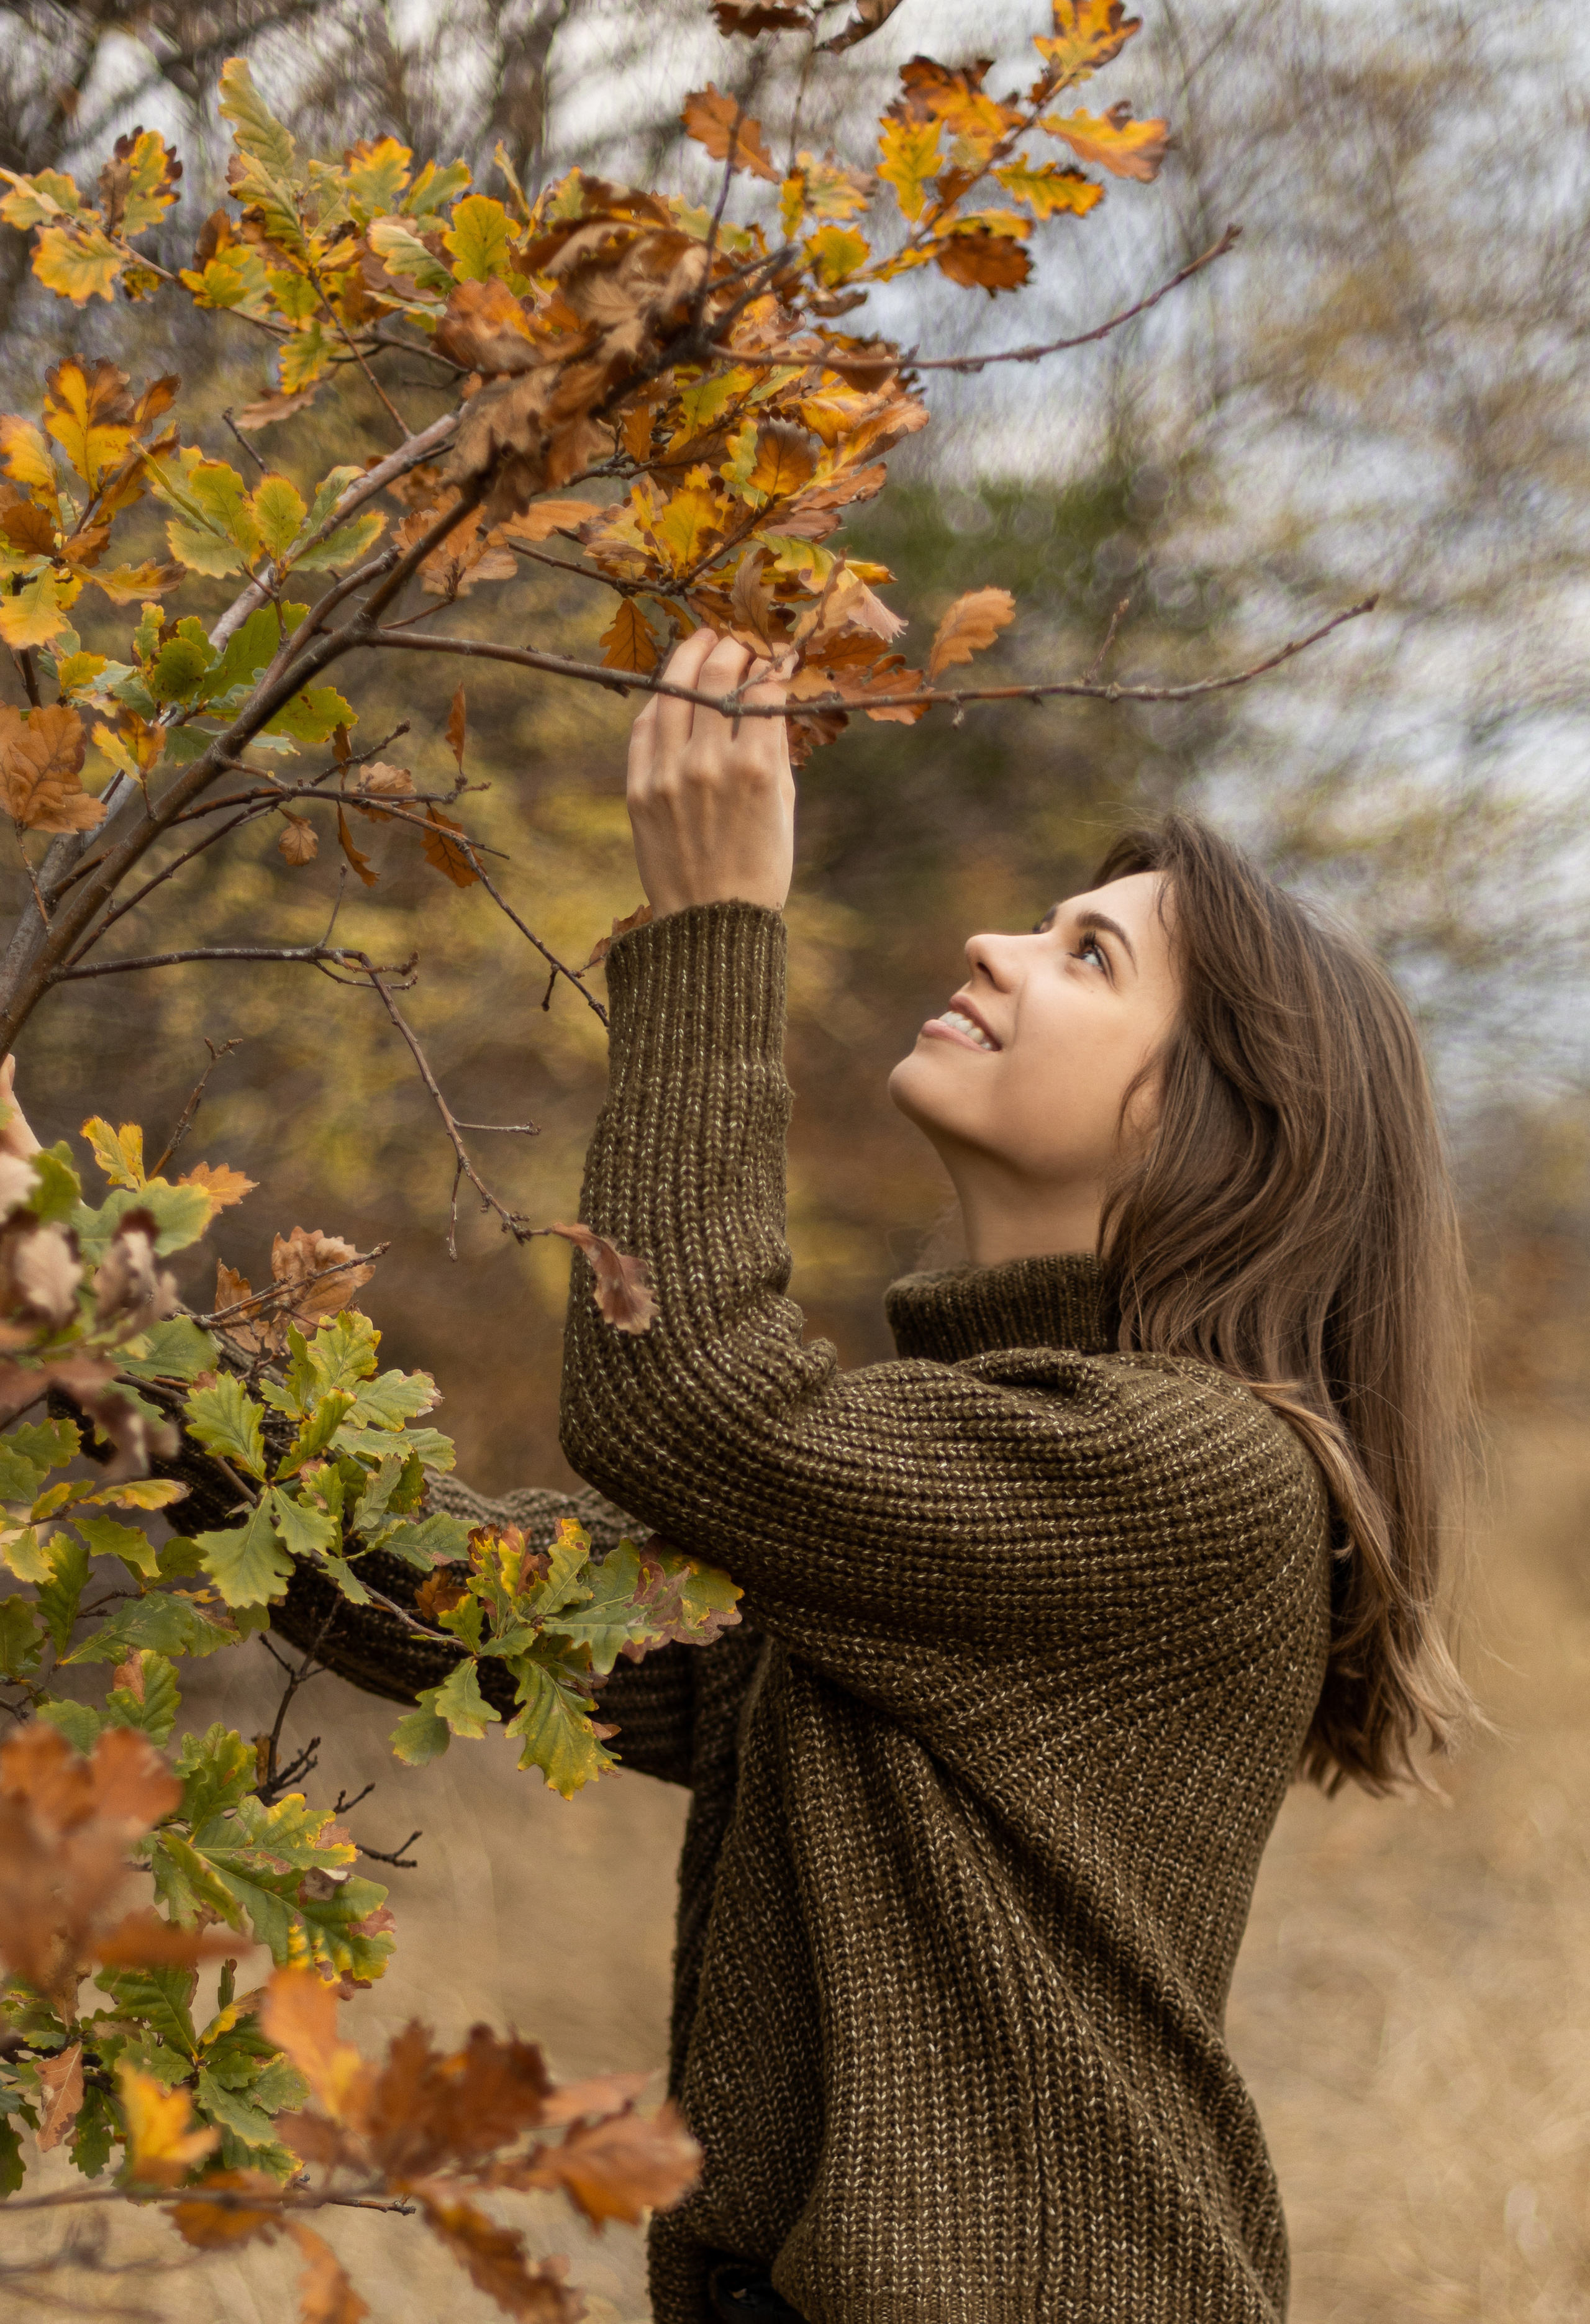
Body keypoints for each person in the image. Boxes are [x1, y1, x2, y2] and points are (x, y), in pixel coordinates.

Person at [270, 627, 1469, 2322]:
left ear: (1208, 1122)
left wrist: (709, 926)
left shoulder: (1190, 1475)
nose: (993, 944)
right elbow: (514, 1617)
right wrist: (115, 1345)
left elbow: (693, 1403)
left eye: (1088, 956)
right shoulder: (974, 1468)